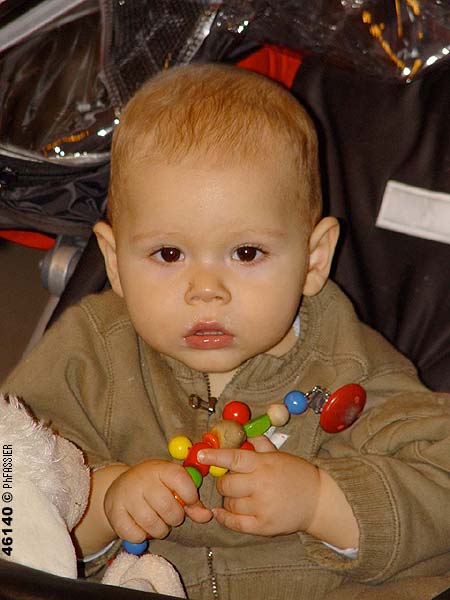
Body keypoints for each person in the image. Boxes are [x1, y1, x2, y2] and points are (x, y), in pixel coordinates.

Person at [4, 63, 450, 600]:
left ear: (313, 260)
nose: (206, 290)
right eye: (169, 254)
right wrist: (103, 502)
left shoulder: (347, 364)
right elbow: (13, 488)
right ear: (115, 263)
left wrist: (324, 503)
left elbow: (440, 487)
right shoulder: (89, 357)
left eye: (246, 252)